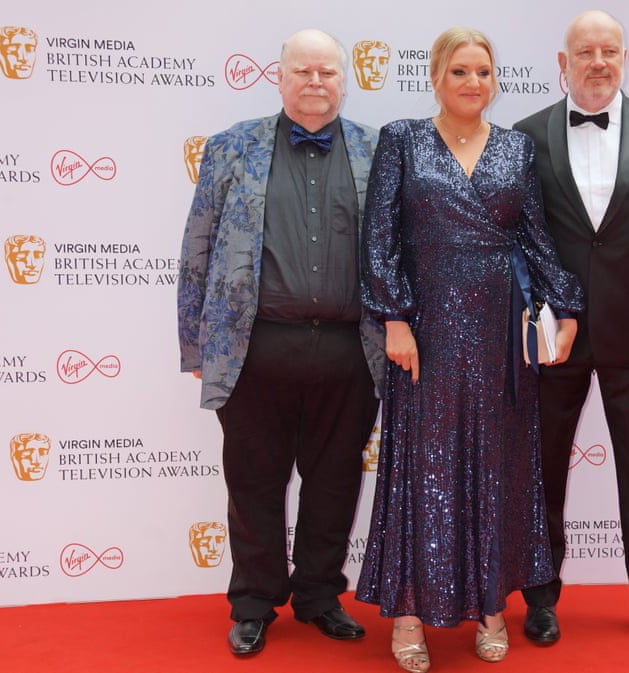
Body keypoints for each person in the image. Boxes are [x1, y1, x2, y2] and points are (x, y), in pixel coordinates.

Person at [354, 27, 584, 673]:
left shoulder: (516, 148)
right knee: (423, 473)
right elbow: (379, 237)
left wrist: (566, 305)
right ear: (436, 76)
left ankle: (490, 606)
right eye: (460, 71)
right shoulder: (402, 139)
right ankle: (409, 612)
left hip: (500, 336)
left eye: (483, 71)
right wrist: (394, 319)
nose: (473, 83)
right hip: (426, 333)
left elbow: (535, 236)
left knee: (497, 468)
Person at [177, 28, 385, 657]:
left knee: (335, 481)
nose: (315, 82)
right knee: (254, 482)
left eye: (327, 72)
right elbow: (198, 245)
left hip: (351, 351)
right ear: (281, 76)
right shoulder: (231, 146)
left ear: (344, 80)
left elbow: (399, 254)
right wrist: (195, 345)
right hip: (254, 349)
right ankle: (253, 602)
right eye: (303, 71)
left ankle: (319, 595)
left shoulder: (379, 151)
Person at [514, 10, 629, 655]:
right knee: (540, 472)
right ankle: (539, 599)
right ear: (562, 64)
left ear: (624, 58)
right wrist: (528, 323)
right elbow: (518, 243)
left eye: (610, 51)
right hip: (552, 337)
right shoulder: (524, 136)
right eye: (585, 52)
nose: (598, 62)